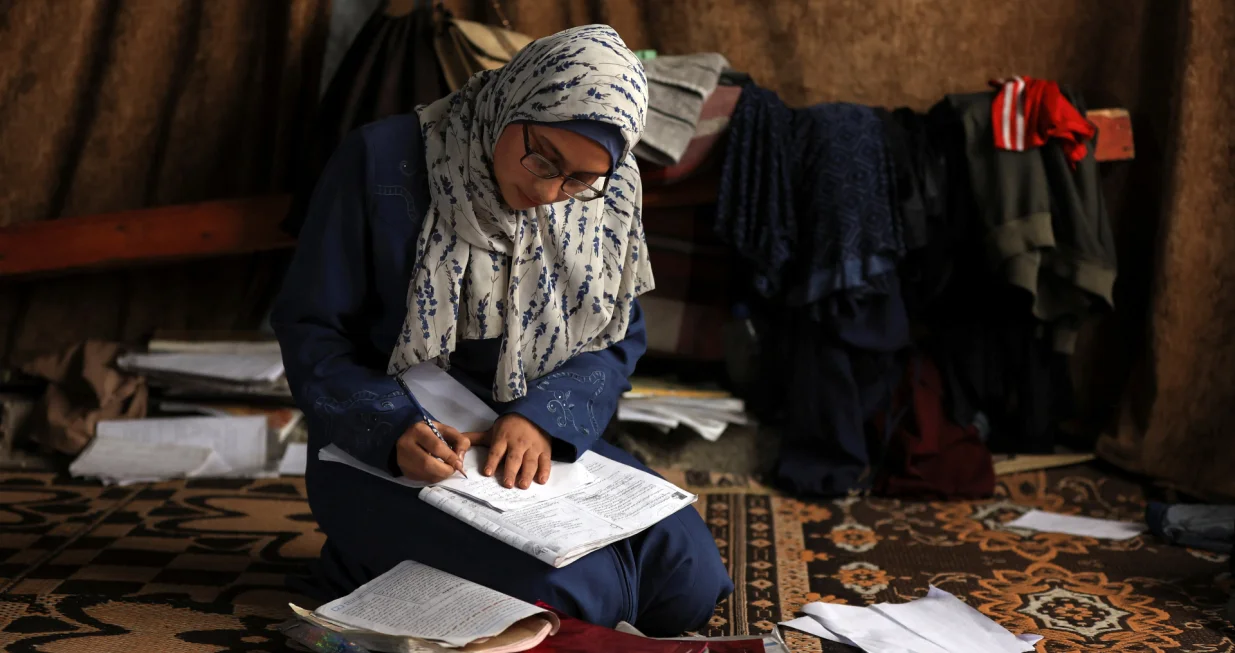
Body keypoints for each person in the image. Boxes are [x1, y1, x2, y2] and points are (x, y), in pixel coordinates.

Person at [271, 25, 733, 636]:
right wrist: (390, 427)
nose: (546, 193)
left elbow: (615, 334)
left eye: (576, 180)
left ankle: (404, 569)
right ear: (514, 100)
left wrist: (540, 418)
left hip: (530, 449)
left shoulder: (609, 194)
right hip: (398, 447)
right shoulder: (381, 161)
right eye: (542, 157)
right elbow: (312, 329)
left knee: (688, 579)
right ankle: (360, 563)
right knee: (571, 599)